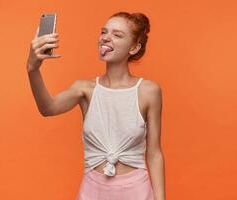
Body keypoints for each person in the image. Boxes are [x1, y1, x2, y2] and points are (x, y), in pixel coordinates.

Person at [26, 11, 165, 200]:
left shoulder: (149, 91)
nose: (106, 38)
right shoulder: (85, 89)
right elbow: (47, 108)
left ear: (133, 48)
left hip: (137, 191)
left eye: (117, 35)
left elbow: (154, 153)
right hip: (93, 191)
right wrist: (32, 69)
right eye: (104, 32)